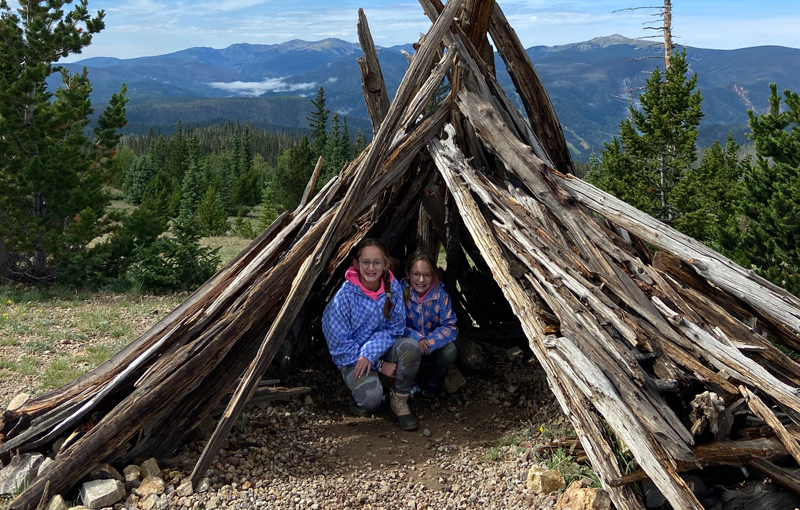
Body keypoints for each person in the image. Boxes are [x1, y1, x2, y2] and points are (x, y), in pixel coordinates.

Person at [322, 238, 421, 431]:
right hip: (352, 358)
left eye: (377, 262)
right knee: (371, 400)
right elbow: (339, 346)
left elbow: (396, 329)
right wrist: (378, 364)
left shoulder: (393, 289)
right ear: (356, 264)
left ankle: (400, 401)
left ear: (385, 265)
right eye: (365, 262)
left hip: (381, 350)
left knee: (410, 348)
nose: (371, 267)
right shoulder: (344, 297)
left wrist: (371, 353)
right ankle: (360, 394)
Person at [402, 249, 458, 398]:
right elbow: (394, 326)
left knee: (450, 350)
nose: (421, 280)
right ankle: (411, 382)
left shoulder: (440, 296)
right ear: (408, 274)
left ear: (433, 275)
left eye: (426, 275)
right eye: (416, 274)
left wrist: (428, 342)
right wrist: (416, 338)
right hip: (409, 348)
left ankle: (435, 381)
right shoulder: (400, 295)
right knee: (402, 347)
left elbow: (450, 326)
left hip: (432, 347)